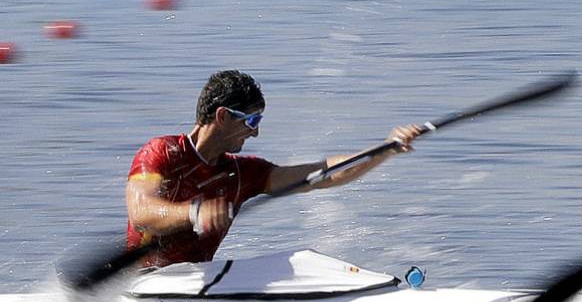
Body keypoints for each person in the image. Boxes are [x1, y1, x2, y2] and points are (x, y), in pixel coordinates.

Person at [125, 69, 423, 267]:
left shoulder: (243, 173)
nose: (255, 132)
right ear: (222, 116)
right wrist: (194, 212)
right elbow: (141, 214)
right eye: (251, 121)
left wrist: (385, 149)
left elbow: (321, 174)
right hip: (145, 280)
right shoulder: (163, 152)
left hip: (195, 280)